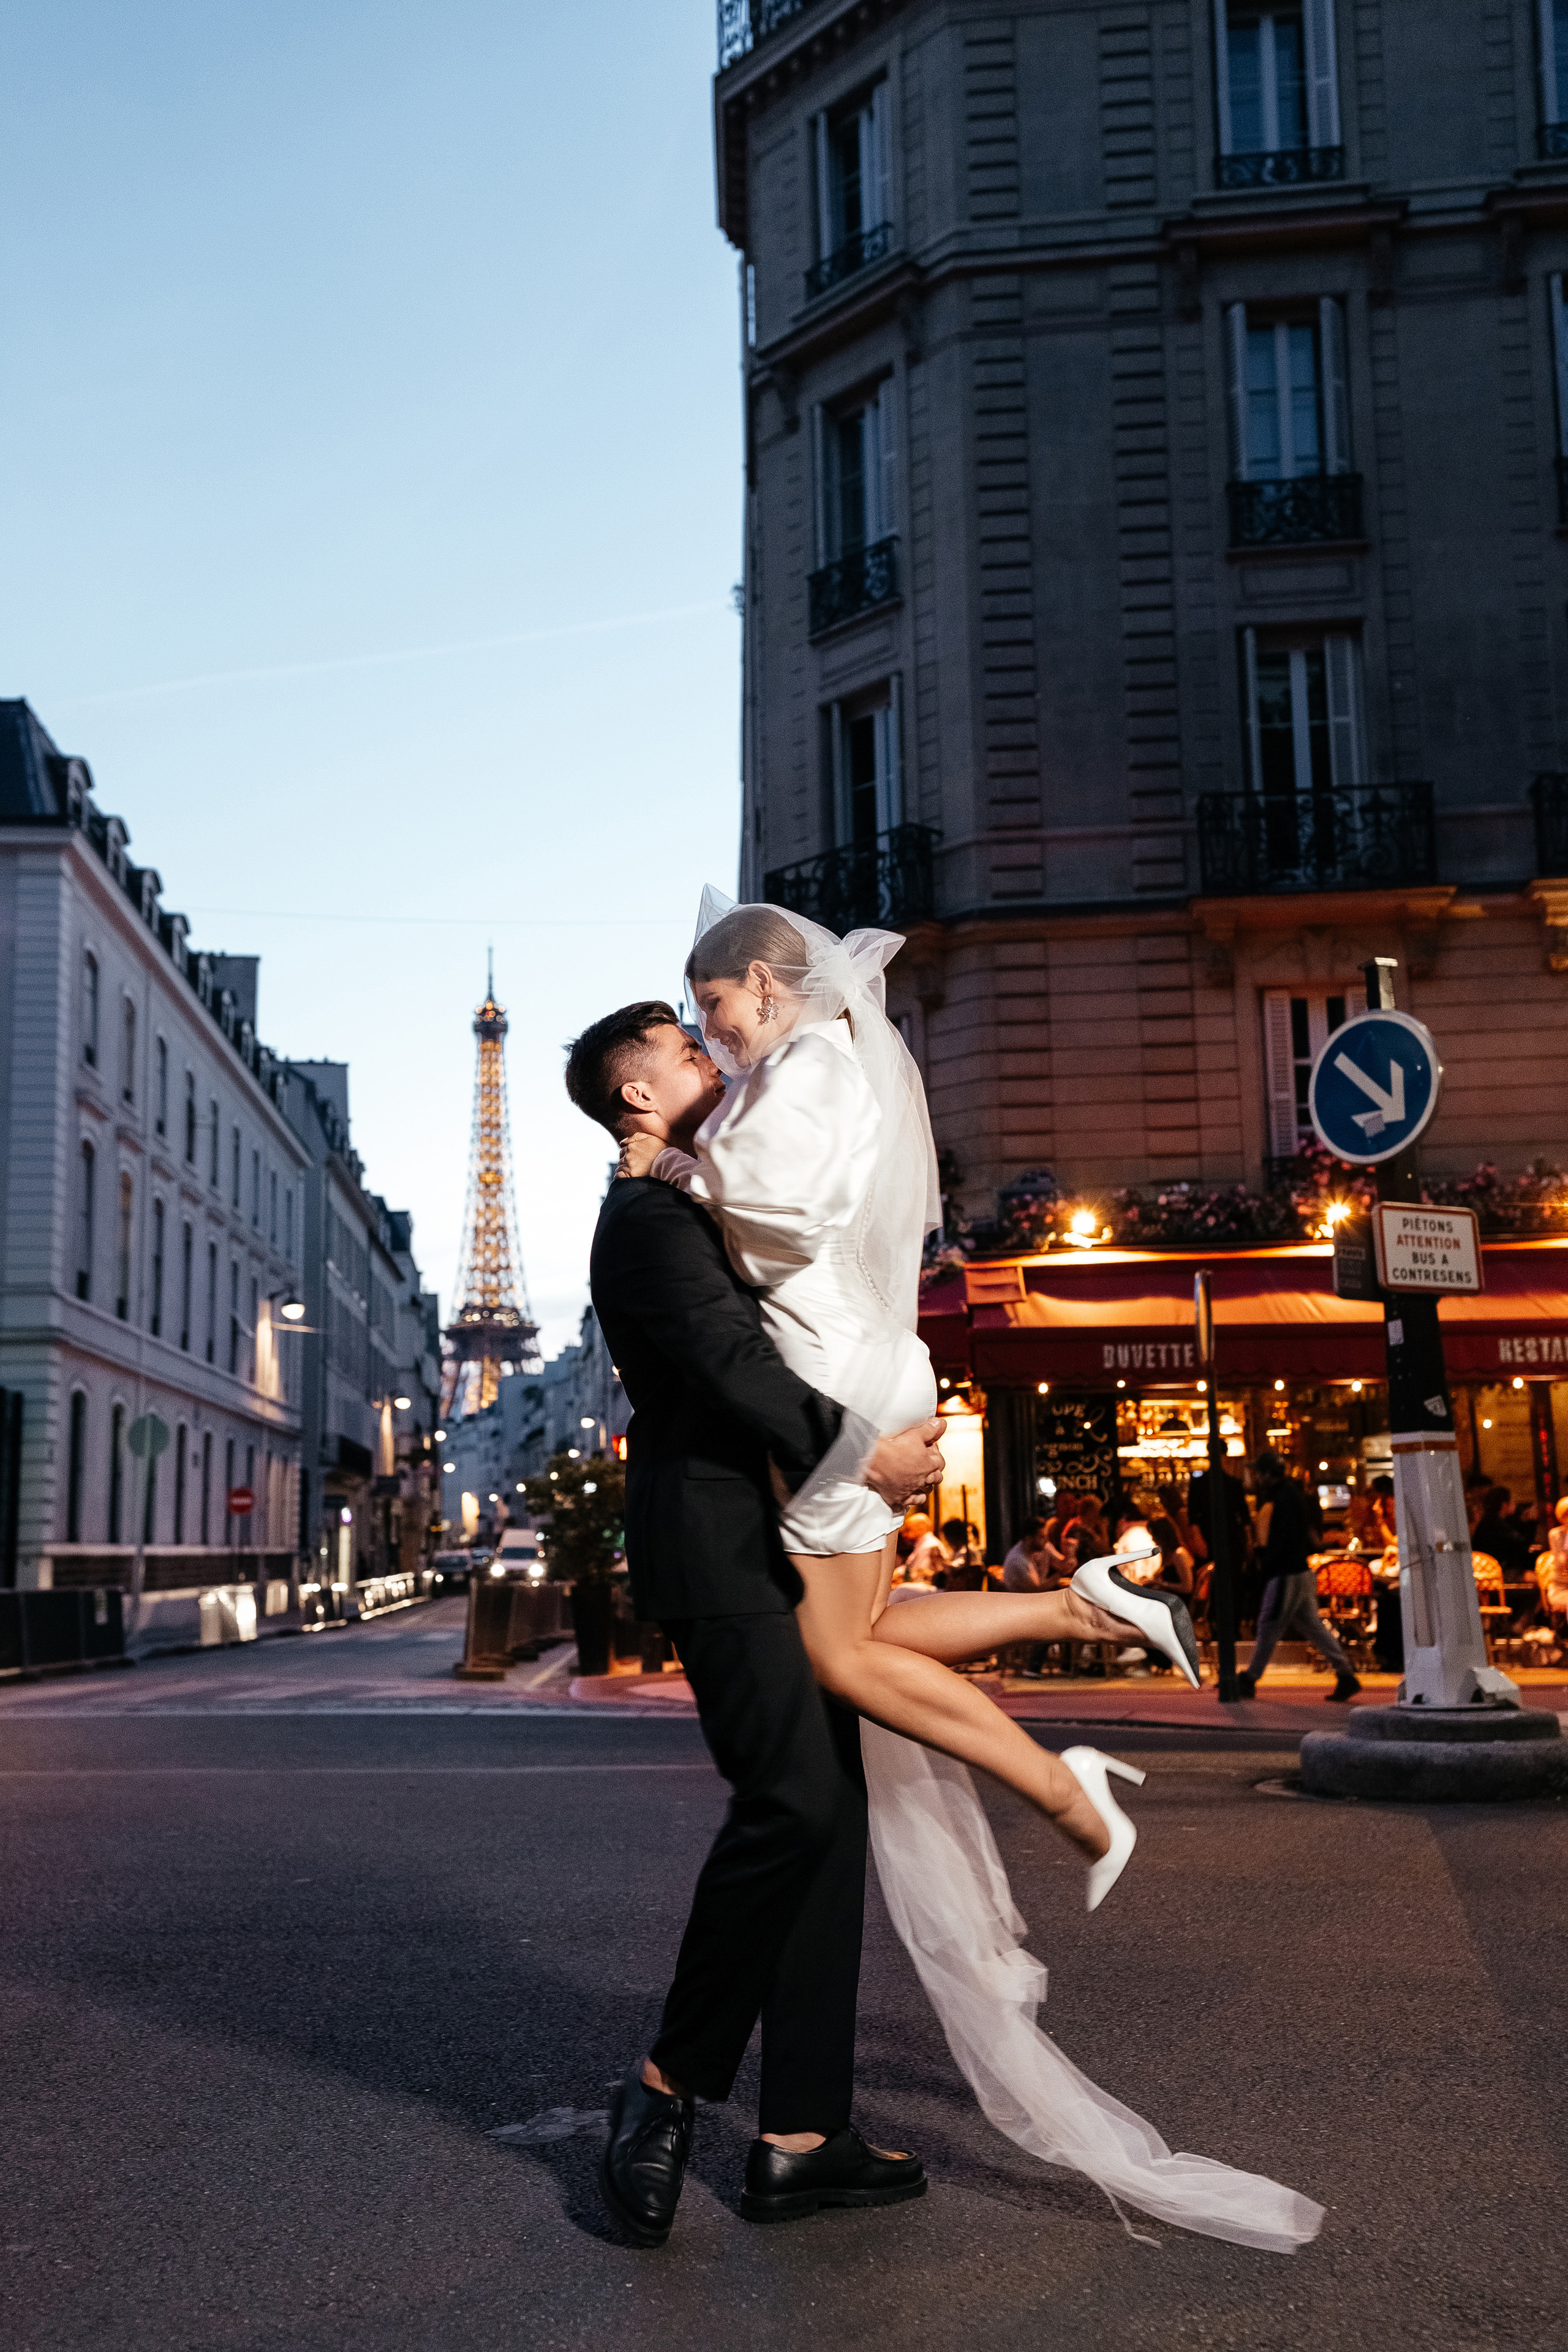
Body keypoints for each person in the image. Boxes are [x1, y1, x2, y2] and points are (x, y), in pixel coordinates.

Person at [619, 895, 1321, 2253]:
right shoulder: (809, 1074)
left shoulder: (798, 1078)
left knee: (830, 1685)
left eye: (711, 1013)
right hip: (853, 1379)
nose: (709, 1042)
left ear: (764, 988)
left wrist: (677, 1168)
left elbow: (776, 1215)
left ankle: (1069, 1792)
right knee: (853, 1685)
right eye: (688, 1035)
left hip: (833, 1392)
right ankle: (1081, 1606)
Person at [570, 997, 949, 2244]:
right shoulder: (640, 1223)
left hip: (781, 1540)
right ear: (636, 1095)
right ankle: (664, 2087)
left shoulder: (695, 1195)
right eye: (686, 1050)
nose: (709, 1055)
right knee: (790, 1802)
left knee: (824, 1815)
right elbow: (735, 1367)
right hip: (717, 1545)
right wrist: (864, 1455)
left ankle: (801, 2136)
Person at [1234, 1452, 1360, 1703]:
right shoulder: (1293, 1496)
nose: (1257, 1477)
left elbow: (1281, 1540)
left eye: (1259, 1472)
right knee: (1312, 1626)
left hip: (1285, 1573)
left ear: (1268, 1474)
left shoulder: (1280, 1499)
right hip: (1300, 1571)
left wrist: (1267, 1566)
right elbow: (1308, 1535)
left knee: (1268, 1625)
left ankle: (1249, 1678)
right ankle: (1345, 1673)